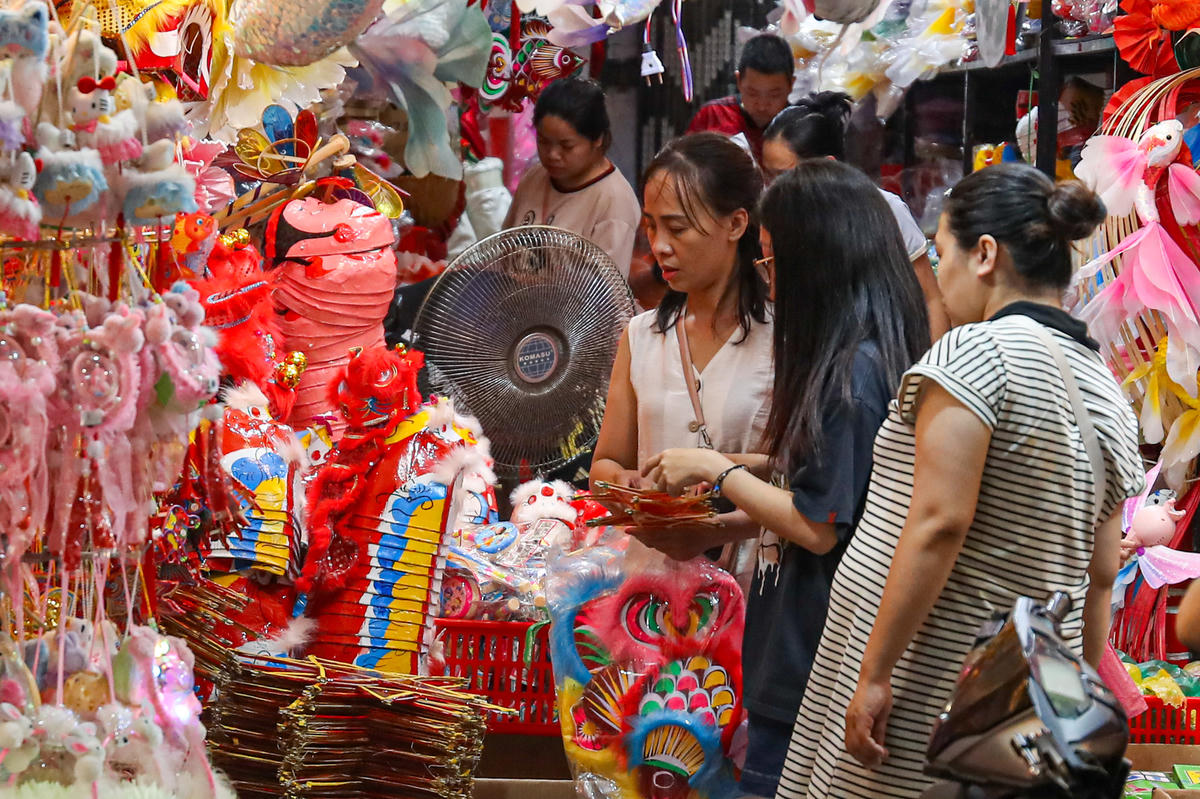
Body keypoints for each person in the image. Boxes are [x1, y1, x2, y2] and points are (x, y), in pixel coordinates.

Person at [775, 163, 1145, 799]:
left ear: (985, 255)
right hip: (1011, 712)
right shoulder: (1105, 388)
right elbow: (1104, 571)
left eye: (942, 251)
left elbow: (939, 521)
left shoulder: (974, 353)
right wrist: (1070, 704)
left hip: (932, 682)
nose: (938, 279)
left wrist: (877, 673)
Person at [637, 159, 930, 798]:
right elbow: (833, 475)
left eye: (771, 263)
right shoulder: (863, 358)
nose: (768, 283)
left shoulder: (852, 374)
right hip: (801, 647)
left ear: (819, 262)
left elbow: (818, 524)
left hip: (812, 652)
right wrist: (748, 469)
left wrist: (718, 469)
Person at [589, 132, 773, 583]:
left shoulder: (782, 338)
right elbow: (605, 465)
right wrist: (626, 487)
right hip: (648, 597)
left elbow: (803, 489)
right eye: (651, 226)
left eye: (677, 228)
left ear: (736, 224)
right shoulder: (642, 335)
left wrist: (711, 528)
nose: (659, 246)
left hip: (748, 588)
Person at [762, 91, 952, 341]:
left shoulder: (884, 210)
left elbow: (929, 300)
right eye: (767, 176)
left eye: (782, 176)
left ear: (827, 166)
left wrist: (926, 374)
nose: (771, 188)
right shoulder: (775, 222)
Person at [505, 77, 640, 277]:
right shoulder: (534, 177)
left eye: (566, 146)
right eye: (543, 142)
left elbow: (605, 293)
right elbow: (502, 249)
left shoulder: (614, 201)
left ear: (597, 140)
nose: (552, 155)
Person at [687, 33, 794, 164]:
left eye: (774, 95)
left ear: (791, 84)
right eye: (752, 93)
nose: (762, 106)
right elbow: (686, 168)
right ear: (738, 81)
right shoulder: (714, 114)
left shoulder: (800, 124)